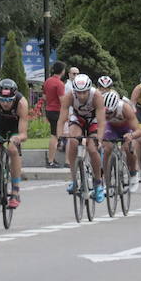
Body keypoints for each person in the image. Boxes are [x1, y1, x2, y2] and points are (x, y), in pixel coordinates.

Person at [59, 73, 107, 202]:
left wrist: (100, 139)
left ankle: (98, 184)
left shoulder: (96, 95)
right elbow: (62, 118)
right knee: (73, 141)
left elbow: (102, 122)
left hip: (93, 120)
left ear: (89, 90)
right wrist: (59, 136)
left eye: (84, 92)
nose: (81, 96)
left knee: (92, 149)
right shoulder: (69, 96)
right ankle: (74, 180)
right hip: (78, 119)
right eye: (78, 93)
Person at [0, 78, 29, 208]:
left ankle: (15, 190)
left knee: (12, 149)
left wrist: (18, 138)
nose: (5, 104)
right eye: (2, 100)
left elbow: (24, 134)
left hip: (15, 130)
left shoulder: (21, 103)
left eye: (9, 100)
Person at [43, 62, 66, 168]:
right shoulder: (59, 84)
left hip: (49, 110)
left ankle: (52, 159)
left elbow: (44, 97)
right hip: (56, 111)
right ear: (62, 71)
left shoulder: (48, 81)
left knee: (56, 135)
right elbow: (63, 101)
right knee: (55, 136)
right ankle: (50, 161)